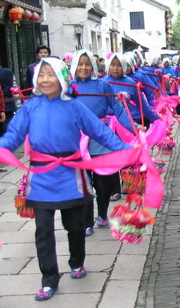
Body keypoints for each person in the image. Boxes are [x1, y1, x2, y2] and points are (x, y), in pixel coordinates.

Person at [0, 57, 131, 301]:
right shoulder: (30, 107)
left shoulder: (74, 106)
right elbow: (13, 136)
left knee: (75, 227)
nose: (45, 80)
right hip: (41, 176)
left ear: (61, 78)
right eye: (41, 75)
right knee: (43, 230)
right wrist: (2, 147)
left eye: (50, 74)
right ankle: (49, 279)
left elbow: (100, 132)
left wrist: (127, 149)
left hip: (71, 174)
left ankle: (76, 262)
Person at [69, 50, 137, 236]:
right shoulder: (68, 88)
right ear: (74, 66)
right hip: (76, 139)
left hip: (99, 137)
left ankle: (102, 215)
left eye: (87, 63)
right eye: (80, 64)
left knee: (103, 182)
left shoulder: (103, 85)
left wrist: (135, 126)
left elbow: (118, 110)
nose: (83, 67)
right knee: (83, 183)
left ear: (93, 66)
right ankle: (87, 221)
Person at [102, 53, 160, 128]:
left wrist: (157, 118)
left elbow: (142, 104)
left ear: (124, 66)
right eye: (112, 65)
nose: (115, 68)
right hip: (106, 125)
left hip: (128, 124)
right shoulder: (102, 82)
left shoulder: (131, 83)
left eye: (119, 65)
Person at [0, 63, 14, 135]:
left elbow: (9, 86)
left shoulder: (7, 72)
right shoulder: (8, 71)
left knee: (6, 129)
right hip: (5, 104)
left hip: (7, 105)